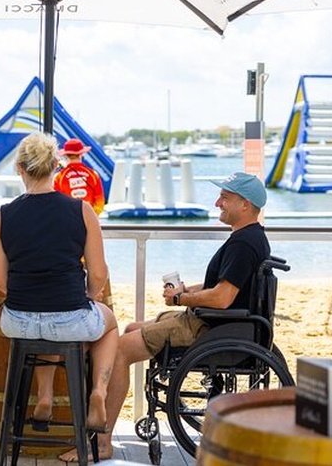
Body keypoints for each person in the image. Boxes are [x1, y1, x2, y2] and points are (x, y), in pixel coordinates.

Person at [59, 171, 270, 462]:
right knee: (132, 327)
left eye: (225, 197)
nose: (218, 202)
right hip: (216, 322)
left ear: (245, 204)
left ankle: (103, 442)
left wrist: (182, 298)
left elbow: (222, 297)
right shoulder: (249, 238)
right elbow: (223, 286)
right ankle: (99, 413)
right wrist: (187, 290)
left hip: (210, 328)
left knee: (118, 350)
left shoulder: (243, 244)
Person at [0, 132, 119, 437]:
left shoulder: (2, 216)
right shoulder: (81, 211)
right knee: (109, 326)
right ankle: (98, 390)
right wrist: (86, 297)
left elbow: (0, 280)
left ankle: (44, 397)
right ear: (55, 166)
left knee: (44, 322)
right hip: (69, 317)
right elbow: (98, 273)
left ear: (20, 168)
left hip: (18, 323)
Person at [53, 138, 106, 215]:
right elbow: (100, 201)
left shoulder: (59, 177)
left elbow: (56, 202)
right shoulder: (93, 175)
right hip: (88, 220)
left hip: (68, 220)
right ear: (81, 154)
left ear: (66, 155)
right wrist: (91, 217)